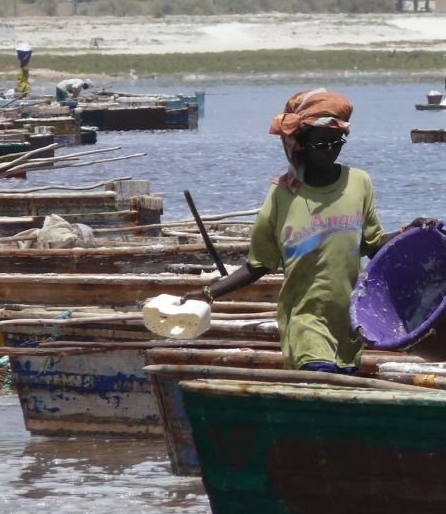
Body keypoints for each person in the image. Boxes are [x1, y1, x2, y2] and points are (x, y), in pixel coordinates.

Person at [182, 88, 428, 373]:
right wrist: (208, 293)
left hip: (349, 323)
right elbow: (257, 265)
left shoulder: (359, 183)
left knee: (337, 403)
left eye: (336, 143)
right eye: (321, 145)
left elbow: (374, 246)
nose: (330, 151)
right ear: (300, 145)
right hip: (305, 323)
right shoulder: (282, 195)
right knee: (321, 381)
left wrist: (411, 232)